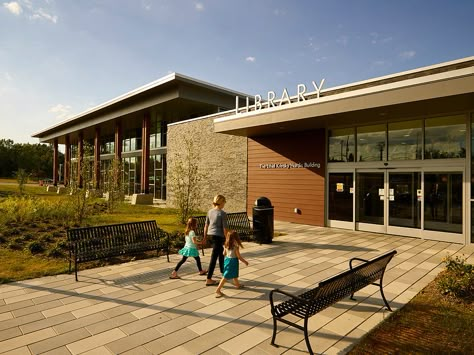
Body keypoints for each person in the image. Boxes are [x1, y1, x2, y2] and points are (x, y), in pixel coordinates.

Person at [202, 194, 228, 286]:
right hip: (218, 237)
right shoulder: (222, 213)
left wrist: (204, 237)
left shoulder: (210, 211)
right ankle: (209, 279)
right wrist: (227, 239)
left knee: (221, 254)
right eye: (224, 202)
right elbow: (225, 228)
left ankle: (223, 272)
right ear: (221, 202)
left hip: (210, 236)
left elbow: (206, 226)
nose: (224, 204)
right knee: (214, 258)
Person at [215, 230, 249, 298]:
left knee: (234, 273)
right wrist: (245, 261)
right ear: (235, 238)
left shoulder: (226, 244)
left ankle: (237, 285)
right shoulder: (235, 246)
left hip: (227, 260)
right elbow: (238, 256)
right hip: (233, 261)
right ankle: (218, 290)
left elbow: (223, 254)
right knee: (225, 276)